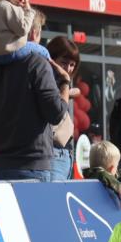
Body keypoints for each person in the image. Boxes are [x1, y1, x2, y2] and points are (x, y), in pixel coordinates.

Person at [0, 32, 69, 182]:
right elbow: (56, 114)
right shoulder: (37, 63)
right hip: (32, 168)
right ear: (34, 33)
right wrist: (64, 83)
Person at [47, 36, 82, 181]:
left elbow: (77, 91)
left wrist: (67, 87)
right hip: (53, 152)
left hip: (66, 154)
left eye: (72, 64)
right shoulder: (46, 80)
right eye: (64, 62)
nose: (68, 68)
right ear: (51, 60)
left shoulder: (63, 82)